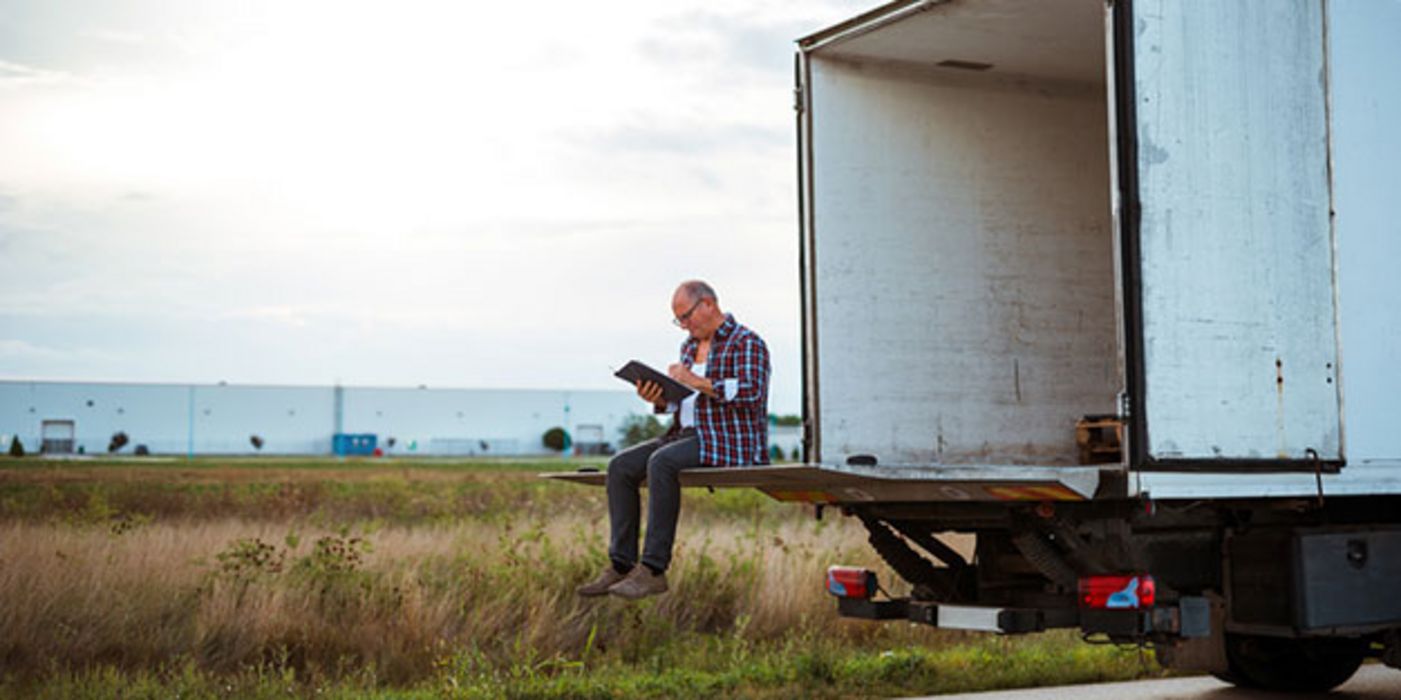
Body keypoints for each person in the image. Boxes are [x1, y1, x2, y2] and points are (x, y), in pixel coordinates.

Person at [577, 280, 771, 600]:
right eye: (678, 320)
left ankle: (653, 569)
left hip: (728, 439)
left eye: (686, 316)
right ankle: (621, 565)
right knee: (620, 465)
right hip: (685, 435)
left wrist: (695, 380)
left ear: (708, 304)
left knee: (661, 462)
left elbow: (752, 393)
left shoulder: (747, 342)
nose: (683, 326)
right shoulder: (688, 347)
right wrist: (658, 398)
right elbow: (682, 403)